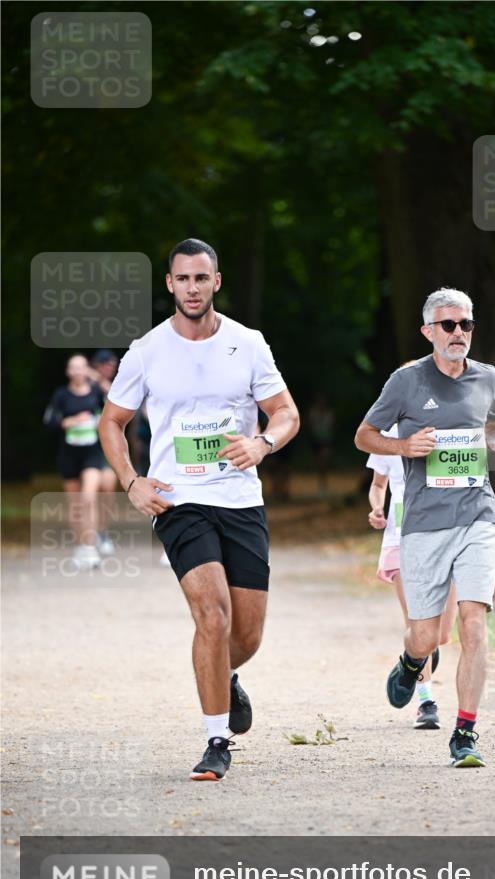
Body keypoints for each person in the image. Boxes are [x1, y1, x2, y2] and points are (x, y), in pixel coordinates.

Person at [99, 238, 300, 782]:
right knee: (211, 614)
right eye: (182, 278)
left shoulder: (247, 343)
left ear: (216, 281)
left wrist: (263, 444)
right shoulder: (147, 351)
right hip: (179, 501)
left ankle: (224, 676)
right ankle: (217, 739)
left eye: (201, 278)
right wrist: (132, 481)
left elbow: (284, 412)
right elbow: (110, 421)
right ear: (169, 284)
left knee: (247, 634)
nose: (192, 287)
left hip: (239, 498)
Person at [355, 286, 495, 768]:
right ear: (429, 331)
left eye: (466, 324)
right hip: (424, 524)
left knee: (473, 621)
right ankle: (411, 663)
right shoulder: (406, 381)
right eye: (448, 325)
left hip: (477, 515)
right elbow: (364, 434)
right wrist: (405, 449)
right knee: (427, 637)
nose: (459, 333)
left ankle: (464, 732)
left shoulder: (487, 377)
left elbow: (494, 425)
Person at [367, 422, 457, 730]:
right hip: (402, 538)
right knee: (417, 624)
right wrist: (377, 509)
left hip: (445, 534)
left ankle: (413, 658)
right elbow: (378, 485)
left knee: (440, 635)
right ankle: (426, 701)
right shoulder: (388, 433)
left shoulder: (448, 428)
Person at [43, 354, 106, 569]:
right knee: (76, 504)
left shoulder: (96, 392)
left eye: (82, 367)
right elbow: (49, 420)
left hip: (92, 453)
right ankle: (80, 546)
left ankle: (90, 547)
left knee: (89, 497)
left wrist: (96, 377)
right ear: (68, 371)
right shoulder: (61, 395)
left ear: (86, 369)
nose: (78, 371)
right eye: (74, 367)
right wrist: (68, 421)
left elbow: (114, 404)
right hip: (69, 455)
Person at [89, 349, 120, 555]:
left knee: (108, 487)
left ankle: (103, 531)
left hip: (106, 445)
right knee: (90, 491)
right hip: (88, 447)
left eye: (112, 365)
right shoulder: (86, 385)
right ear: (96, 365)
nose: (110, 368)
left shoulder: (113, 387)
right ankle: (89, 534)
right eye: (106, 365)